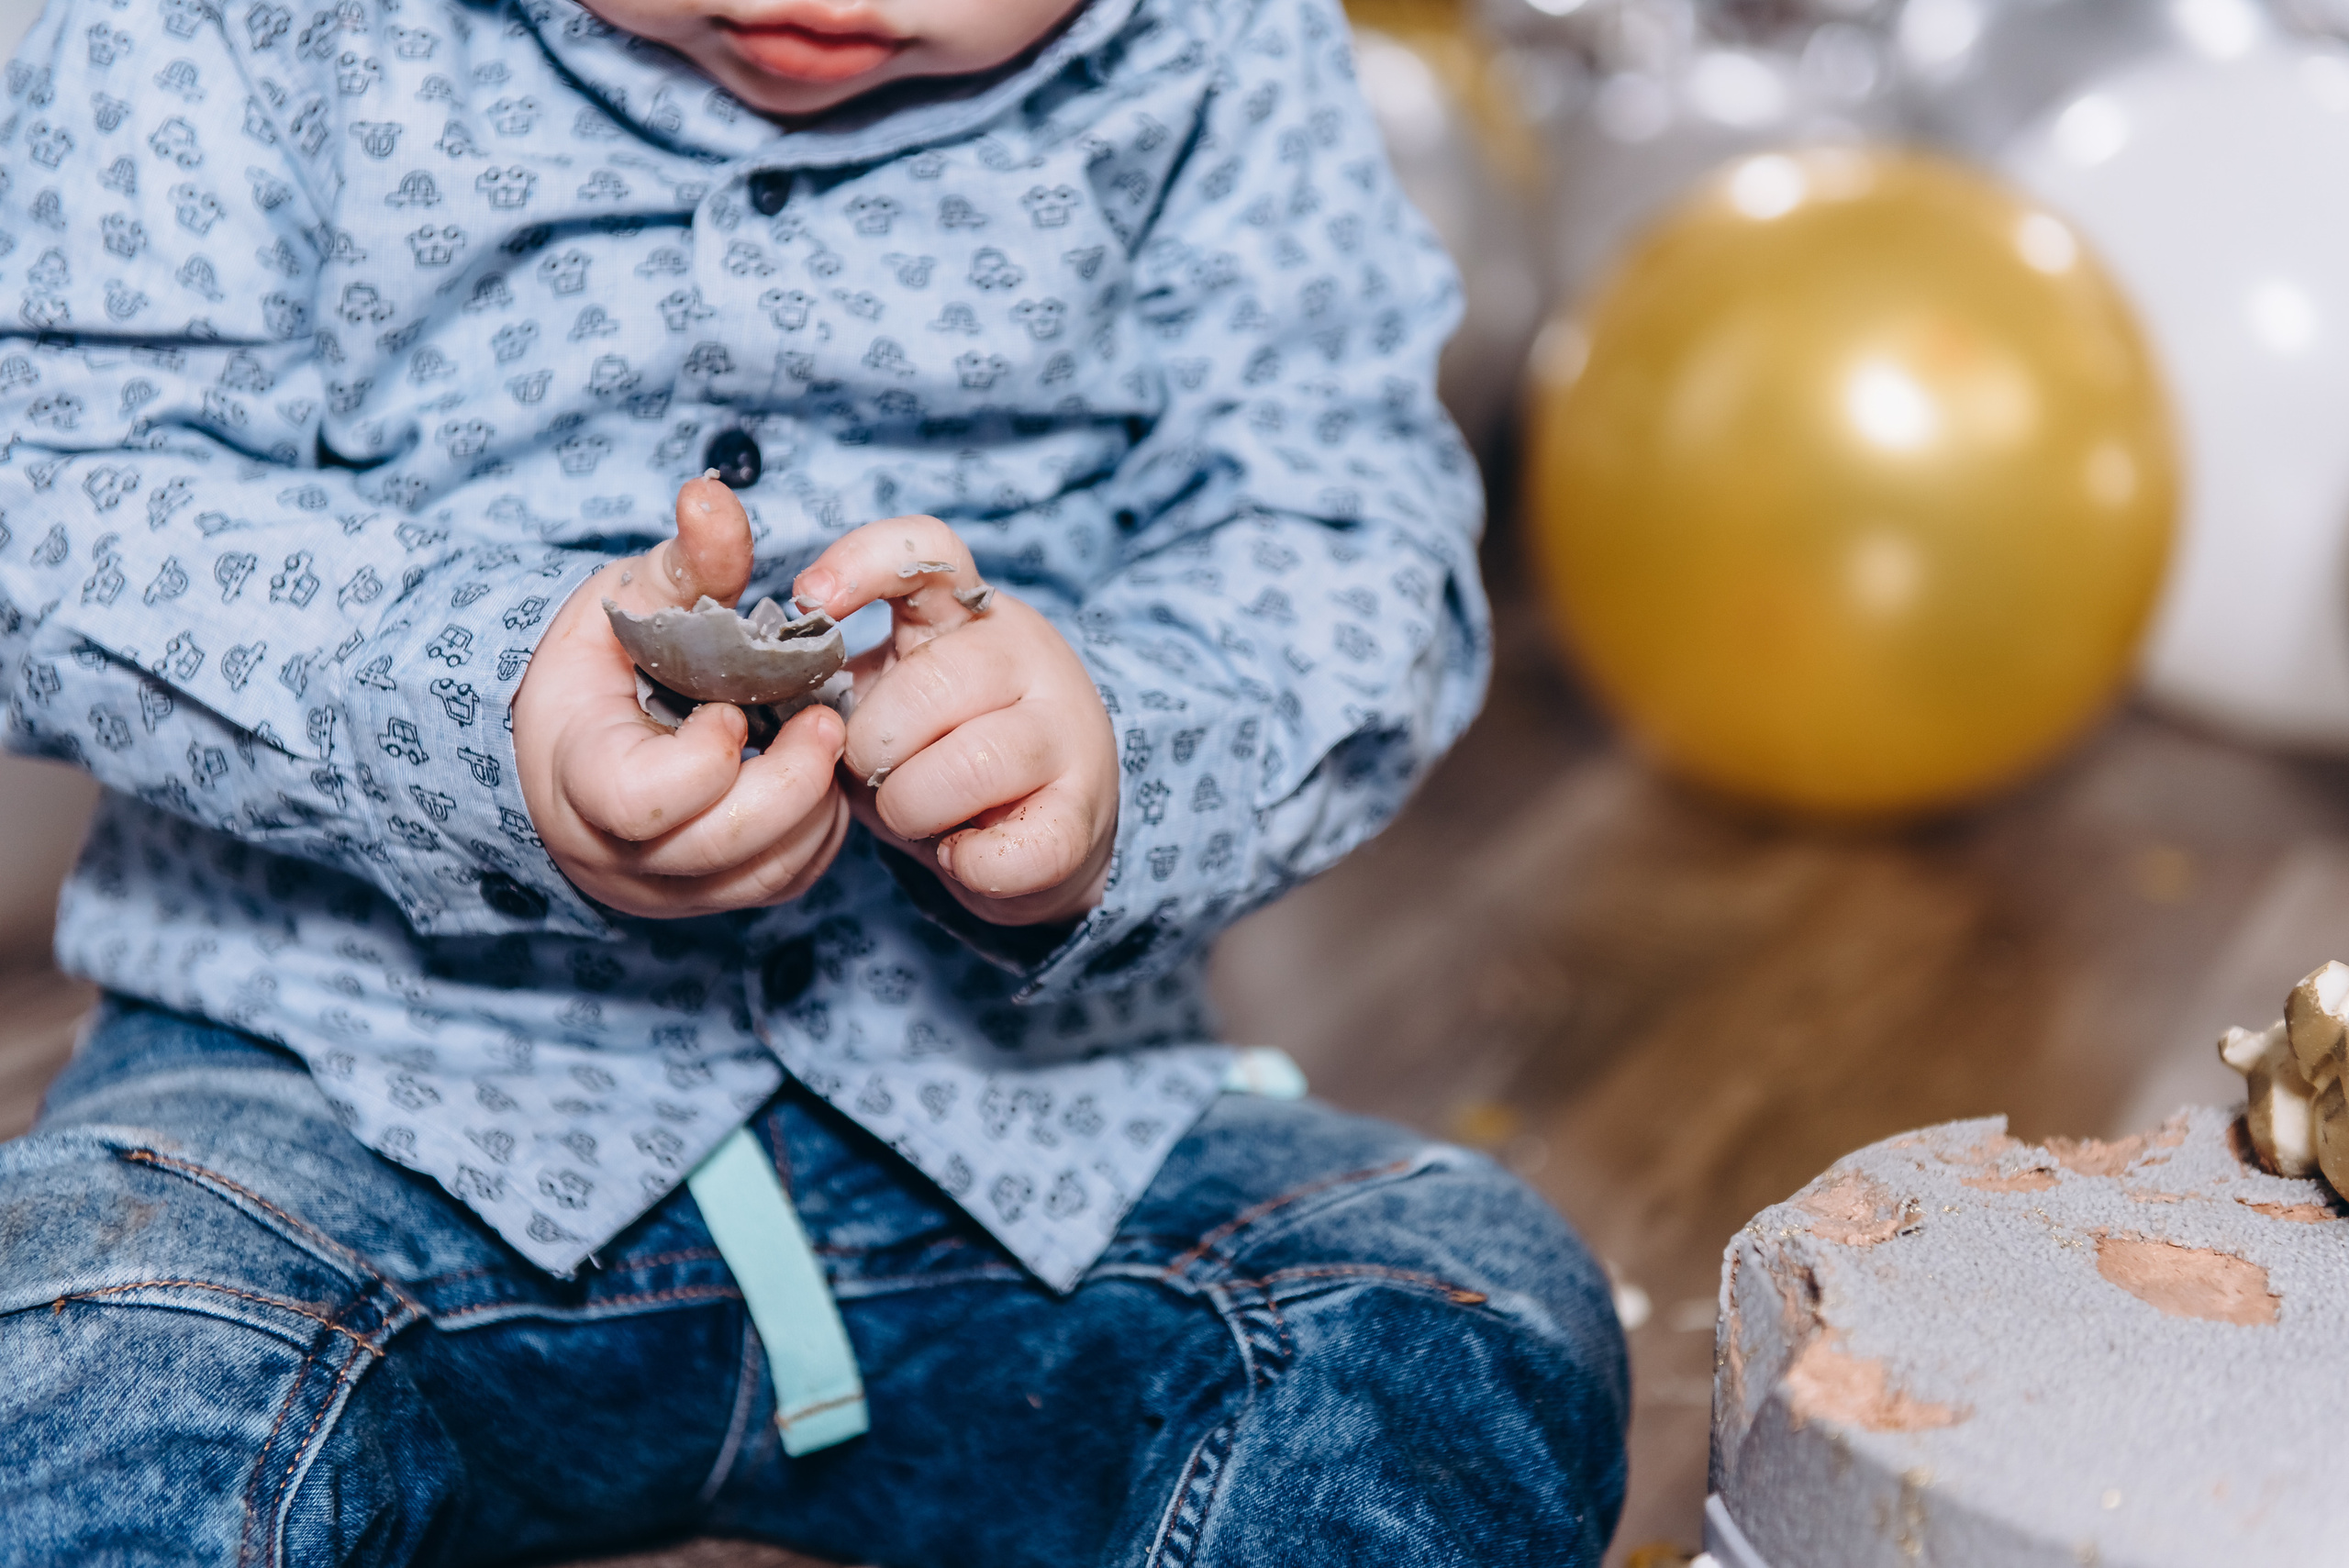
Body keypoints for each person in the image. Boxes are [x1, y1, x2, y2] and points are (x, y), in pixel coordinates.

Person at [0, 0, 1630, 1559]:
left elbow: (1343, 521)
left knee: (1450, 1317)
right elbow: (58, 493)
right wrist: (471, 698)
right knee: (88, 1353)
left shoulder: (1223, 47)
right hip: (325, 1115)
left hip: (1028, 1135)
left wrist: (1114, 751)